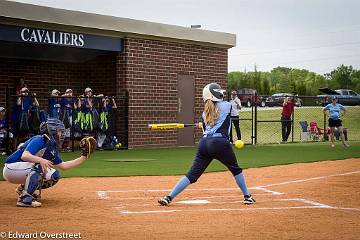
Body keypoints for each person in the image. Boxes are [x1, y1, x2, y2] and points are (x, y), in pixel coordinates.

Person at [158, 83, 255, 206]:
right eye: (219, 92)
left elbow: (208, 128)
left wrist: (203, 125)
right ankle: (247, 196)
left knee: (192, 175)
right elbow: (226, 116)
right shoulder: (227, 105)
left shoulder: (205, 113)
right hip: (220, 143)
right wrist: (204, 125)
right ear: (215, 94)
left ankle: (169, 196)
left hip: (204, 144)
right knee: (236, 169)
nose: (222, 94)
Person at [2, 118, 92, 207]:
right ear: (52, 131)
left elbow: (64, 166)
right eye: (59, 131)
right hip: (11, 168)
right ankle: (25, 199)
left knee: (55, 175)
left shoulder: (51, 147)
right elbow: (25, 156)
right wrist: (41, 160)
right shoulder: (39, 139)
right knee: (41, 165)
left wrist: (83, 157)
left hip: (23, 170)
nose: (62, 134)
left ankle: (23, 189)